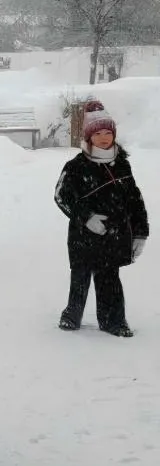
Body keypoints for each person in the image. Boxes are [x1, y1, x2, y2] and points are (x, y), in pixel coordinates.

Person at [54, 100, 148, 336]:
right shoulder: (76, 166)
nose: (104, 137)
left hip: (113, 235)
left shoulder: (122, 165)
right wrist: (86, 218)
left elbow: (135, 200)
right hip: (83, 235)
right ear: (89, 137)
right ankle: (72, 315)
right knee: (81, 276)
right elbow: (61, 196)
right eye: (98, 133)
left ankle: (113, 321)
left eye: (108, 132)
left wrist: (140, 233)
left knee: (109, 278)